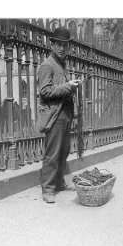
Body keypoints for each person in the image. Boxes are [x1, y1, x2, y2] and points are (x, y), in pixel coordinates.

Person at [37, 28, 81, 203]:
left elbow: (60, 87)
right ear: (52, 44)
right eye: (59, 45)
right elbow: (45, 92)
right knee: (53, 153)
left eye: (65, 45)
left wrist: (71, 85)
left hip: (65, 114)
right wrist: (69, 86)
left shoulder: (61, 65)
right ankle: (47, 189)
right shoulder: (47, 65)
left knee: (64, 151)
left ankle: (59, 182)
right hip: (54, 116)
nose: (62, 48)